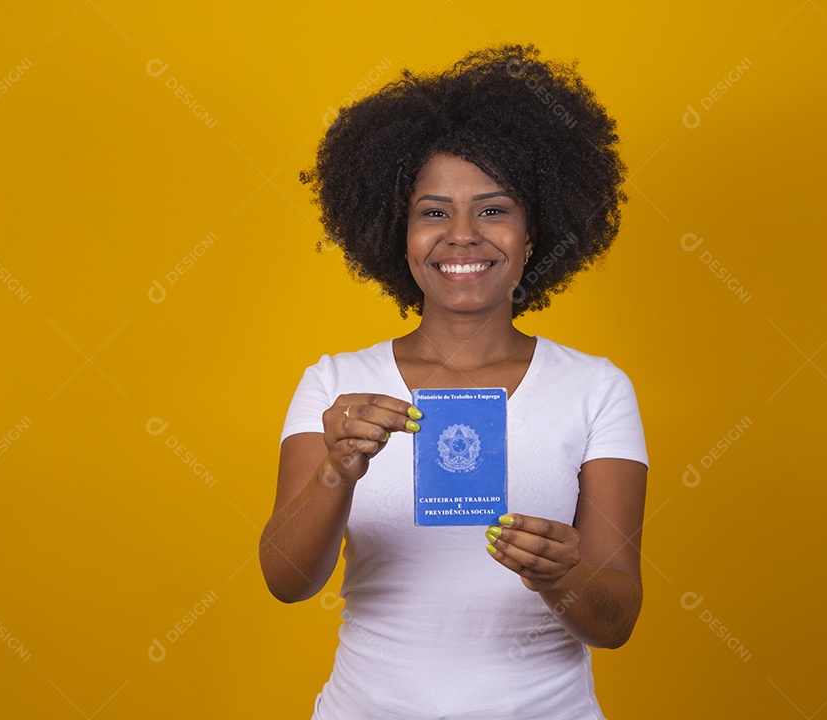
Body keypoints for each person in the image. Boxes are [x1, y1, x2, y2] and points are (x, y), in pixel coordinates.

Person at [260, 44, 649, 719]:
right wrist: (338, 468)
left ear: (535, 234)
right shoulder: (334, 385)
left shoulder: (596, 388)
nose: (462, 236)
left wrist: (562, 577)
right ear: (397, 233)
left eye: (494, 210)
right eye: (433, 212)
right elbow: (287, 582)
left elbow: (614, 622)